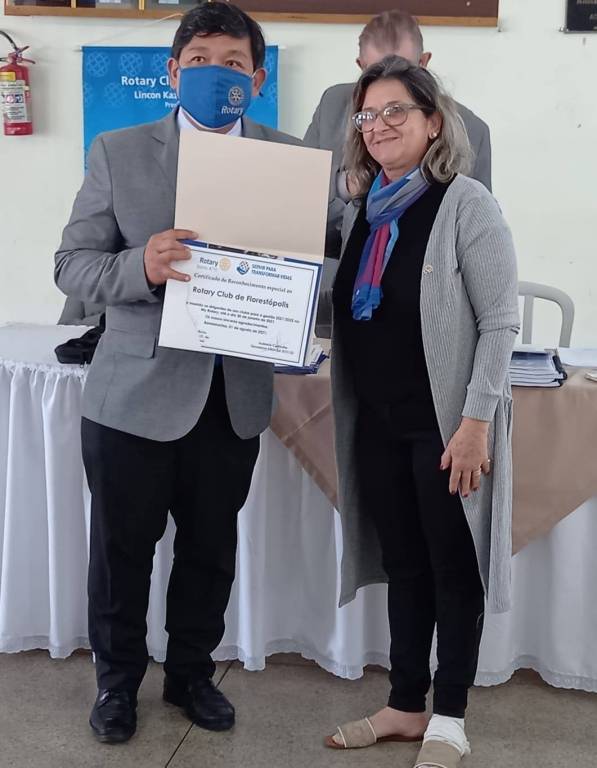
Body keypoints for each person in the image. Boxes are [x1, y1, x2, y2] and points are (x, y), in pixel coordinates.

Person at [54, 1, 301, 745]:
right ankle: (116, 683)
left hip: (233, 397)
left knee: (209, 549)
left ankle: (191, 674)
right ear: (172, 72)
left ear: (257, 78)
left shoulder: (290, 162)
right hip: (132, 396)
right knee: (121, 552)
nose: (215, 74)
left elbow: (314, 265)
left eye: (233, 63)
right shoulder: (119, 152)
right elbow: (72, 265)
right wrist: (142, 265)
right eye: (199, 61)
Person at [317, 56, 518, 768]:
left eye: (395, 111)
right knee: (403, 565)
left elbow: (500, 322)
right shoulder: (362, 210)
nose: (378, 126)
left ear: (433, 121)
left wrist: (474, 424)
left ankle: (450, 716)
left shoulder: (466, 203)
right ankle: (405, 705)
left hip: (445, 428)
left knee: (451, 567)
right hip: (376, 423)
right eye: (367, 115)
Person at [304, 9, 492, 278]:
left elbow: (477, 240)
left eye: (404, 74)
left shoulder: (471, 129)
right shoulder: (333, 105)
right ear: (361, 67)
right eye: (376, 72)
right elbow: (300, 203)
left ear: (423, 63)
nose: (381, 125)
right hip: (340, 273)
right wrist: (347, 186)